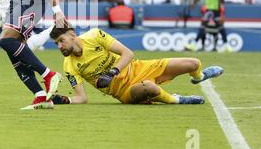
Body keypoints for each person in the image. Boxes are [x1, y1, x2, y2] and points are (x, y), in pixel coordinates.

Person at [48, 25, 224, 105]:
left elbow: (128, 53)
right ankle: (178, 100)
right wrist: (65, 100)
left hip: (140, 67)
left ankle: (199, 77)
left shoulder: (94, 35)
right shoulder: (69, 65)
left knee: (193, 63)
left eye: (61, 41)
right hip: (124, 91)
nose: (60, 46)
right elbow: (82, 98)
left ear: (72, 34)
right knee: (150, 88)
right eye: (56, 44)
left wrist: (111, 72)